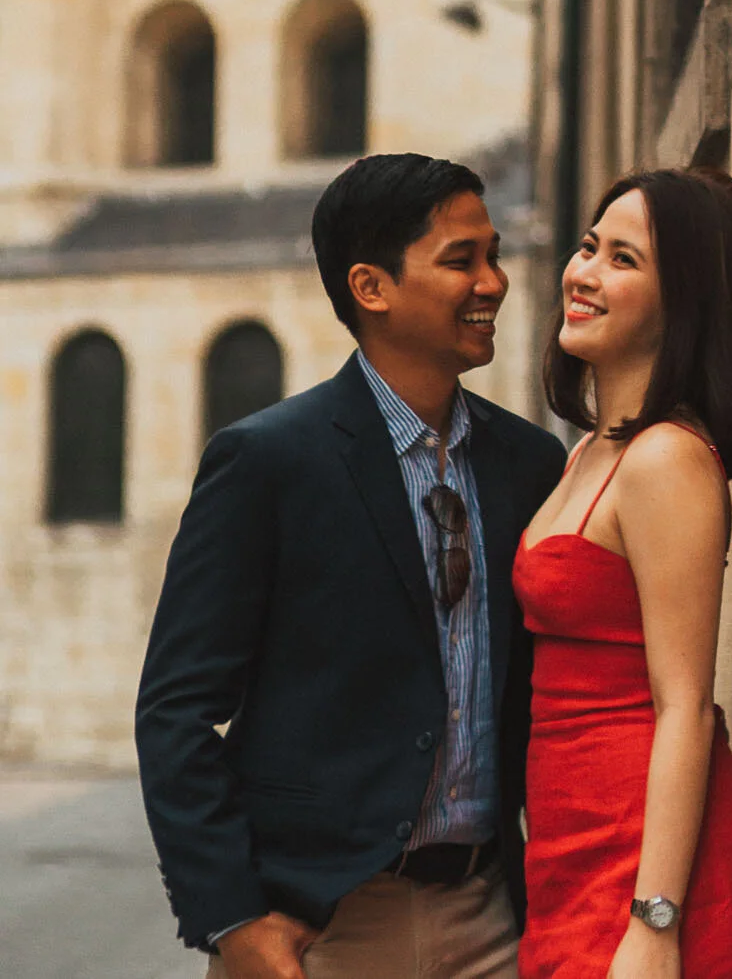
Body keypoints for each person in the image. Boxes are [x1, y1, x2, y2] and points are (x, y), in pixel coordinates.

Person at [136, 153, 566, 979]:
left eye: (493, 254)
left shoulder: (529, 462)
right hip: (321, 928)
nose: (495, 282)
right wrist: (233, 919)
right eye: (460, 260)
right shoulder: (268, 462)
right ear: (370, 287)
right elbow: (176, 711)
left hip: (493, 918)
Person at [517, 167, 732, 979]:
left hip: (634, 858)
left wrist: (655, 923)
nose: (583, 274)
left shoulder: (666, 459)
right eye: (589, 247)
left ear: (679, 300)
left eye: (624, 259)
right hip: (566, 847)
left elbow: (686, 703)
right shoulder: (592, 450)